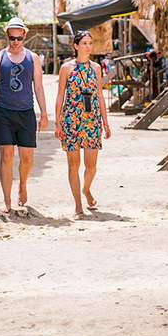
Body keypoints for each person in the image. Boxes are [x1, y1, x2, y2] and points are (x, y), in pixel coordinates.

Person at [0, 17, 49, 213]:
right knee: (6, 156)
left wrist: (44, 113)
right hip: (3, 112)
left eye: (19, 38)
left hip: (26, 113)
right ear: (7, 37)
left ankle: (23, 185)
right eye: (12, 38)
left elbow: (38, 87)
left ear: (24, 35)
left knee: (27, 158)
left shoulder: (33, 58)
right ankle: (7, 201)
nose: (15, 42)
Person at [55, 31, 111, 218]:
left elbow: (100, 95)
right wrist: (58, 123)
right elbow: (60, 95)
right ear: (76, 46)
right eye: (84, 43)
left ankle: (86, 189)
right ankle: (78, 205)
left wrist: (106, 122)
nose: (88, 46)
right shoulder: (66, 68)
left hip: (92, 120)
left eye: (90, 43)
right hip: (71, 119)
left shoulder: (96, 68)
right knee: (73, 165)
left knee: (91, 166)